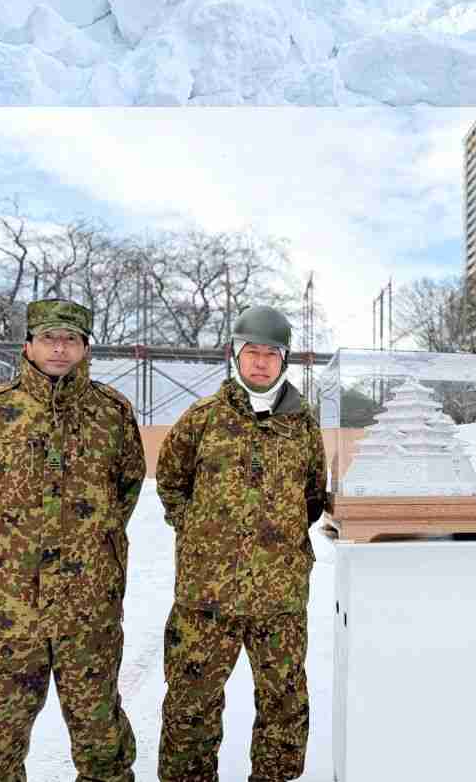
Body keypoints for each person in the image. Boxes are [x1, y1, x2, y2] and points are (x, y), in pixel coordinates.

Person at [0, 298, 145, 782]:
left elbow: (126, 488)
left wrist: (92, 544)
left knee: (100, 732)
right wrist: (9, 546)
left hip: (89, 604)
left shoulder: (112, 411)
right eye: (49, 338)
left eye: (70, 340)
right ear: (29, 346)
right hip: (13, 605)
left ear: (85, 348)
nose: (59, 348)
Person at [156, 306, 328, 782]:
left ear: (284, 360)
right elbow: (170, 481)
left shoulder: (303, 426)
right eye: (251, 352)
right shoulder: (202, 419)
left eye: (271, 354)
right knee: (190, 705)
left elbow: (313, 496)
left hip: (279, 597)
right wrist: (198, 533)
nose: (260, 362)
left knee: (284, 705)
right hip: (205, 596)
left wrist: (277, 540)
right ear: (235, 354)